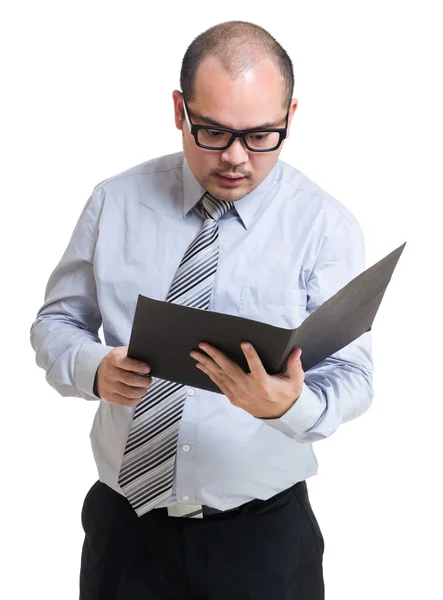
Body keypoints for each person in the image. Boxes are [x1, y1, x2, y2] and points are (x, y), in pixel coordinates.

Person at [30, 20, 374, 600]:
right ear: (178, 110)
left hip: (263, 539)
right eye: (212, 131)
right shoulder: (115, 201)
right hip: (126, 531)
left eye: (262, 134)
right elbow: (54, 323)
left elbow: (354, 377)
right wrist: (94, 368)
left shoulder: (323, 227)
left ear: (290, 115)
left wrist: (290, 404)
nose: (236, 158)